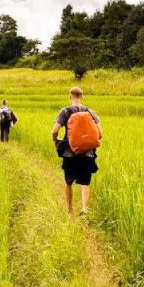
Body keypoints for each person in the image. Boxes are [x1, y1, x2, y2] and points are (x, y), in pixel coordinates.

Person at [51, 87, 102, 216]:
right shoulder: (90, 112)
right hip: (87, 154)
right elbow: (100, 134)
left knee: (68, 182)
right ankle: (84, 208)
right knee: (85, 182)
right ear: (82, 97)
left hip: (70, 154)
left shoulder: (65, 111)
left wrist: (56, 140)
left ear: (70, 96)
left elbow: (54, 131)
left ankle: (69, 211)